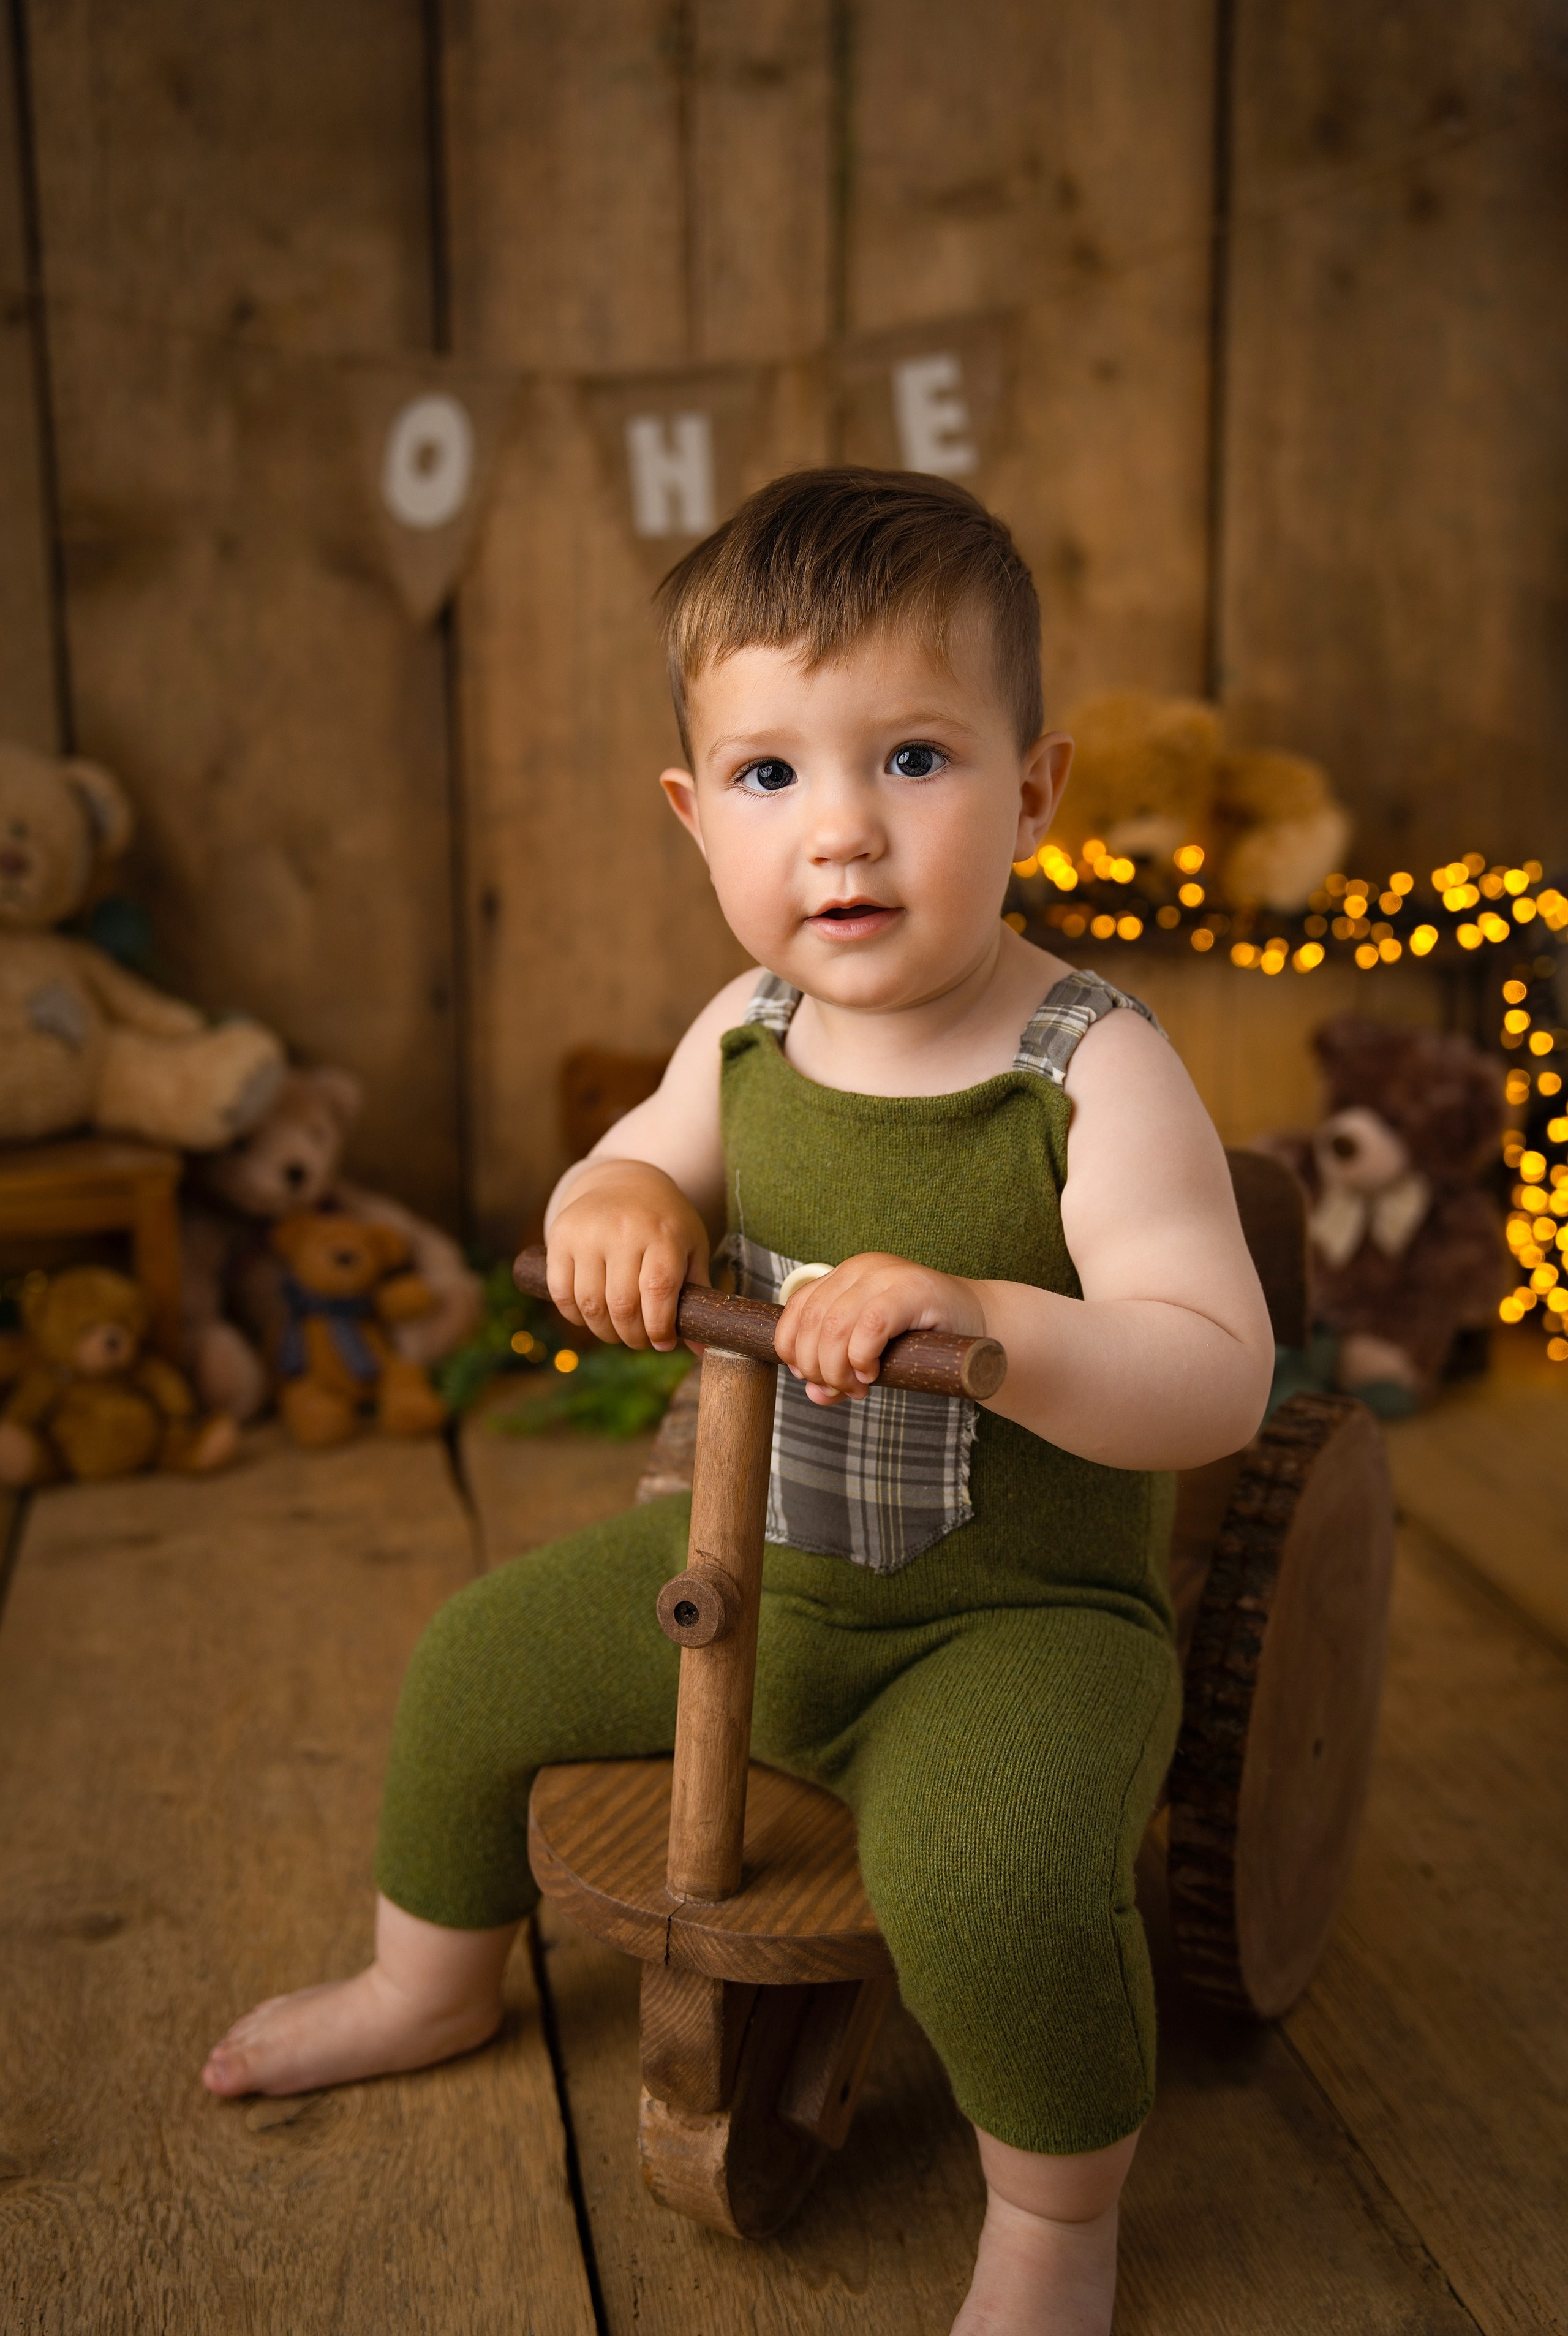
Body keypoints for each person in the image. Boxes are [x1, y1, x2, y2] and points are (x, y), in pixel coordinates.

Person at [203, 467, 1273, 2334]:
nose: (844, 833)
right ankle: (433, 1981)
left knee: (1000, 1875)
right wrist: (613, 1206)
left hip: (1012, 1627)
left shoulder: (1085, 1070)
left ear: (1036, 790)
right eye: (776, 777)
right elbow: (623, 1173)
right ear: (700, 817)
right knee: (471, 1664)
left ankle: (1053, 2219)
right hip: (759, 1584)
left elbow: (1213, 1373)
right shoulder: (748, 1031)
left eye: (917, 760)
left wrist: (982, 1308)